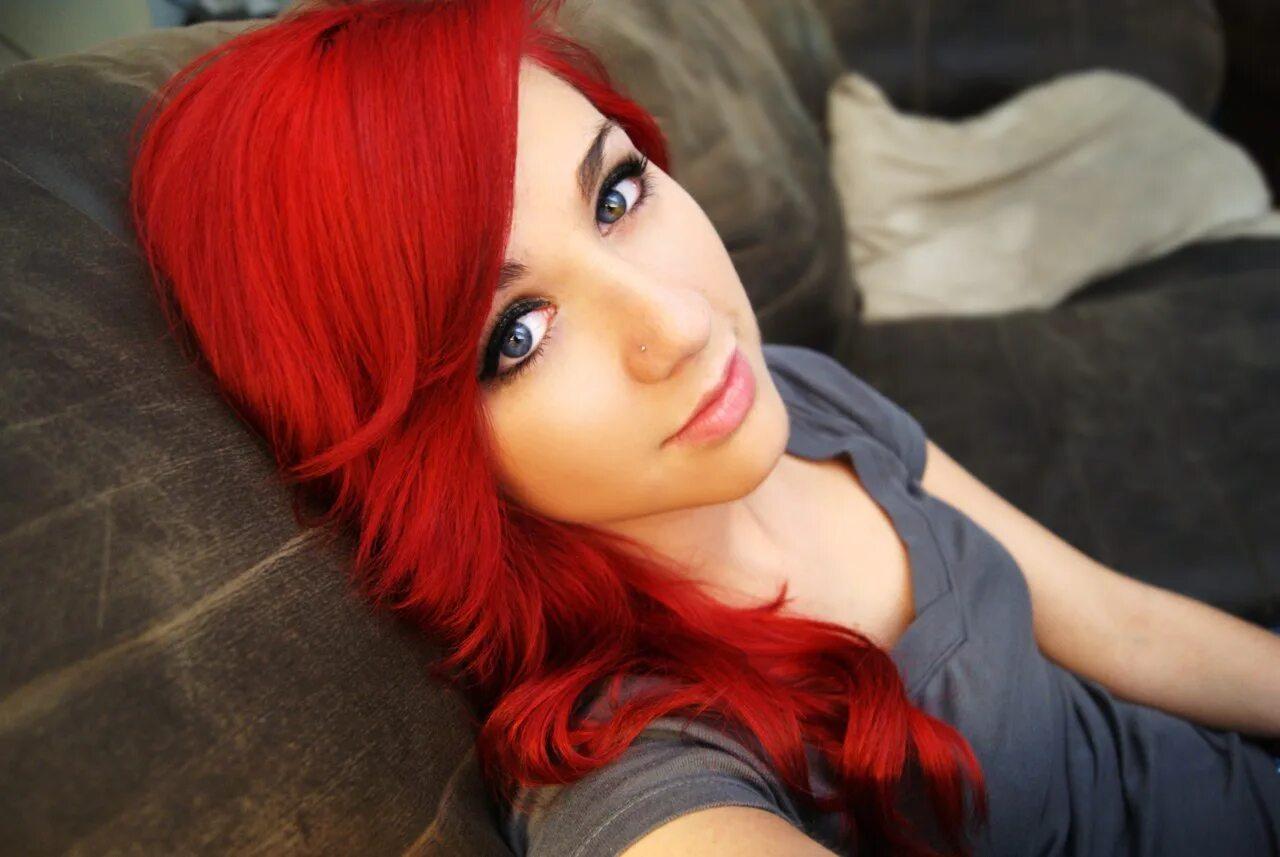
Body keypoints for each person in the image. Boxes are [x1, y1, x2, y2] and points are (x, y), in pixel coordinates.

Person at [126, 1, 1280, 855]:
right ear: (426, 457)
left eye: (615, 195)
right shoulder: (641, 766)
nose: (680, 325)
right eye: (515, 333)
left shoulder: (802, 395)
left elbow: (1119, 624)